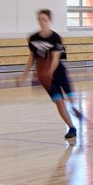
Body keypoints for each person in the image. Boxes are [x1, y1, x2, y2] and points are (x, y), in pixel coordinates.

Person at [25, 9, 82, 141]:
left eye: (44, 19)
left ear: (49, 21)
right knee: (59, 103)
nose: (42, 22)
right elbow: (31, 58)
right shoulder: (33, 38)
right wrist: (24, 75)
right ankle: (72, 128)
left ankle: (75, 109)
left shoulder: (55, 37)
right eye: (39, 19)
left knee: (71, 99)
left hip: (59, 73)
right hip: (47, 78)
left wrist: (49, 72)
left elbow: (56, 59)